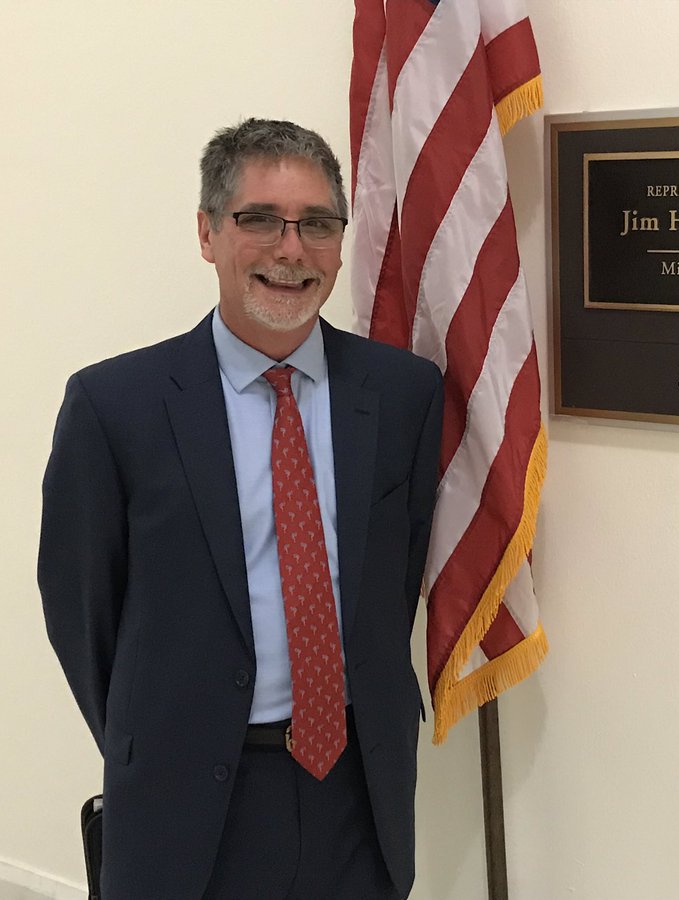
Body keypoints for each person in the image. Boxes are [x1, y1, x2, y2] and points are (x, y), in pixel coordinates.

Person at [39, 118, 443, 899]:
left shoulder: (403, 394)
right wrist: (158, 734)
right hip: (188, 790)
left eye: (318, 225)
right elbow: (81, 611)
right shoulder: (114, 405)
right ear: (207, 233)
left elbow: (395, 583)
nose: (291, 251)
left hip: (359, 787)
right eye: (259, 219)